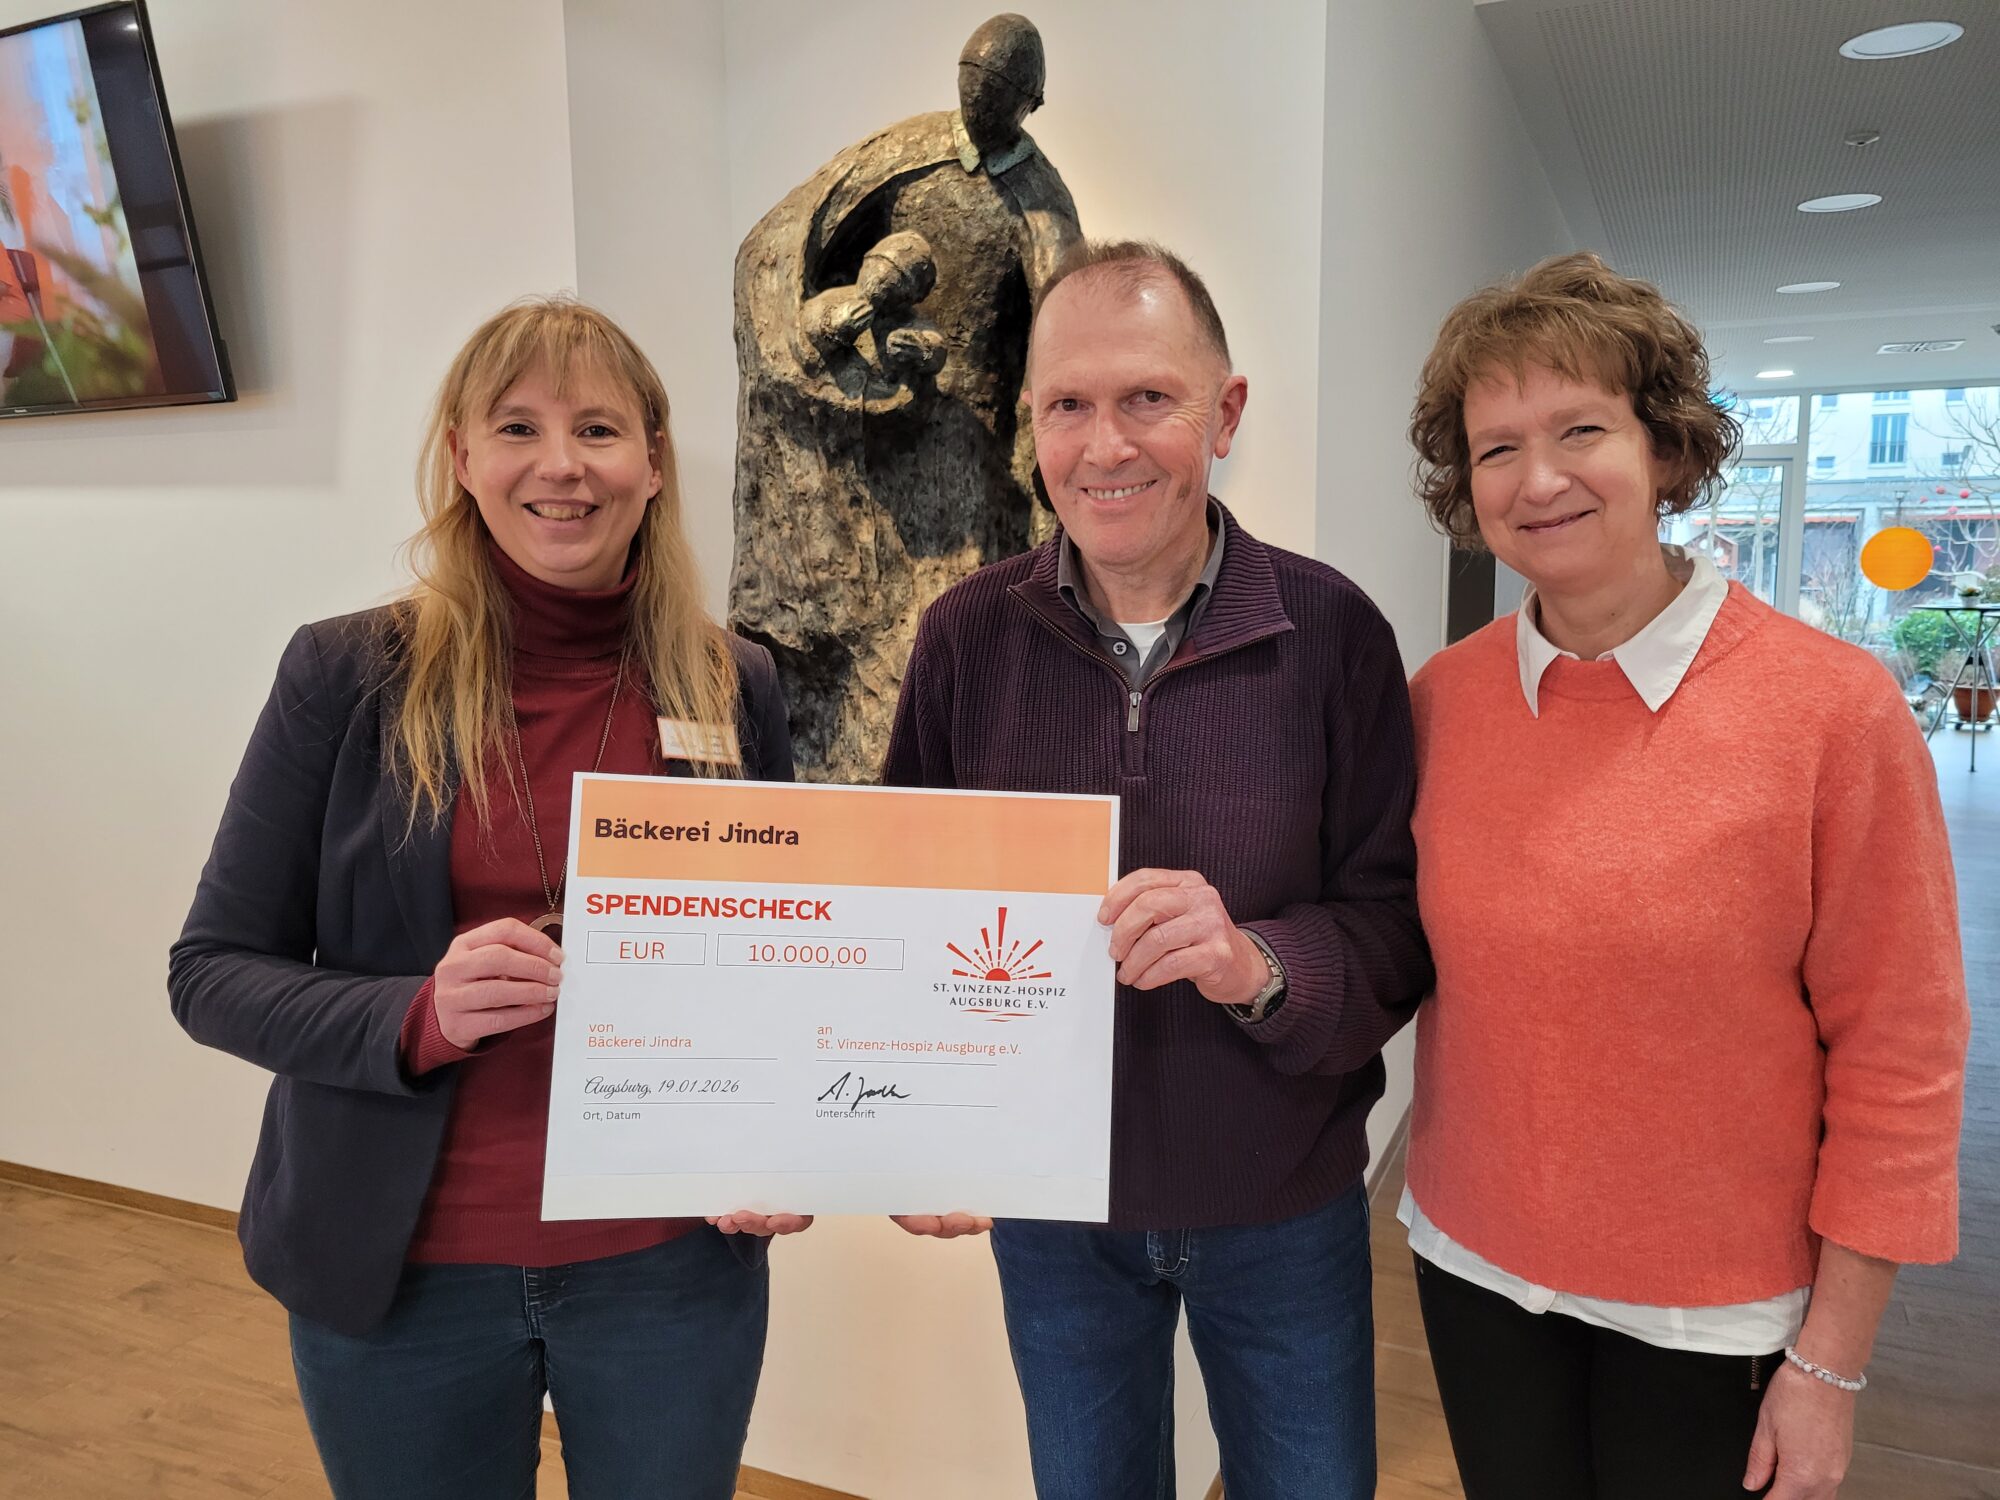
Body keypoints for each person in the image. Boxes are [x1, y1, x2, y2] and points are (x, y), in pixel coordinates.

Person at [169, 298, 806, 1500]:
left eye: (599, 430)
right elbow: (209, 971)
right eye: (516, 427)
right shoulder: (346, 675)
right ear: (462, 460)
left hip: (665, 1265)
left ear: (654, 464)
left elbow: (770, 959)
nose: (560, 465)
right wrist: (418, 1016)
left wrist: (790, 1137)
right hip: (405, 1270)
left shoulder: (734, 682)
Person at [1401, 251, 1970, 1500]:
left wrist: (1831, 1366)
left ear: (1664, 449)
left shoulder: (1831, 711)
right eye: (1495, 448)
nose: (1535, 478)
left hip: (1715, 1319)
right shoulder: (1440, 702)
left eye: (1580, 430)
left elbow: (1900, 1054)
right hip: (1472, 1263)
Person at [883, 240, 1432, 1499]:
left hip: (1278, 1204)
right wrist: (912, 1127)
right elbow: (905, 909)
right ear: (1030, 422)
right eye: (1066, 406)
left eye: (1147, 399)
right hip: (1054, 1217)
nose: (1103, 446)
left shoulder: (1331, 630)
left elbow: (1393, 925)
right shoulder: (965, 636)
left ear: (1223, 411)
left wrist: (1255, 964)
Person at [730, 12, 1084, 780]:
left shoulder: (1041, 203)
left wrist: (1039, 468)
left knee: (937, 645)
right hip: (867, 431)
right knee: (841, 635)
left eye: (997, 88)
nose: (978, 97)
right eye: (971, 79)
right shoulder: (903, 156)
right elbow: (789, 245)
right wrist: (823, 355)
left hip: (966, 455)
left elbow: (1063, 344)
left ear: (1032, 101)